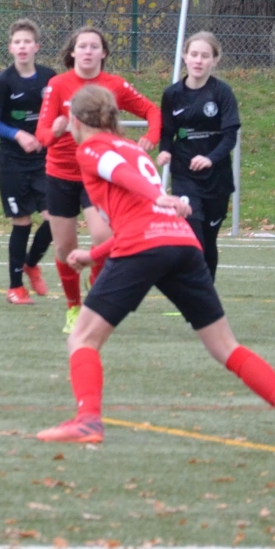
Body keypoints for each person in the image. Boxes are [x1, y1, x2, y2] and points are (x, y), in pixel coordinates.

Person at [37, 84, 275, 445]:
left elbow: (118, 173)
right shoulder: (131, 147)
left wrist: (159, 196)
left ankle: (88, 421)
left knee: (82, 337)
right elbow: (139, 215)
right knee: (225, 346)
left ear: (75, 120)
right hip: (180, 242)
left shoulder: (92, 149)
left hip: (144, 246)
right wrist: (94, 255)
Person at [33, 26, 160, 333]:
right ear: (72, 52)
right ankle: (73, 308)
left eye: (94, 47)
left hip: (98, 174)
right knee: (65, 249)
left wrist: (151, 137)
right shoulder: (58, 84)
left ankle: (95, 287)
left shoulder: (114, 85)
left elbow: (152, 111)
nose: (88, 51)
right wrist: (56, 131)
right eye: (82, 46)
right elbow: (42, 135)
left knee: (103, 237)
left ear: (104, 53)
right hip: (61, 175)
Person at [158, 31, 240, 278]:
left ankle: (207, 292)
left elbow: (230, 136)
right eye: (194, 54)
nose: (198, 60)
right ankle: (191, 290)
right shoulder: (172, 94)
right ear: (185, 57)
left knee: (208, 241)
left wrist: (210, 158)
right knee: (193, 237)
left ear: (215, 60)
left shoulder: (222, 93)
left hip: (217, 179)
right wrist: (164, 151)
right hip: (185, 176)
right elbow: (167, 132)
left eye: (205, 56)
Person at [0, 19, 53, 305]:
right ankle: (15, 288)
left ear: (36, 46)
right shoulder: (4, 81)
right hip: (13, 162)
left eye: (27, 41)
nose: (22, 46)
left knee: (54, 218)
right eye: (17, 42)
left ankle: (31, 263)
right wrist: (18, 135)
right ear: (10, 48)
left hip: (44, 161)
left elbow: (60, 111)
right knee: (21, 221)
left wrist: (51, 133)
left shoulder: (49, 78)